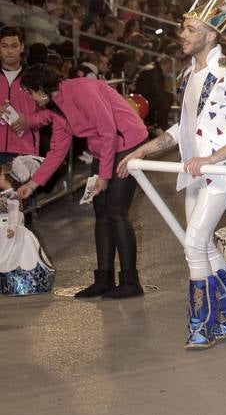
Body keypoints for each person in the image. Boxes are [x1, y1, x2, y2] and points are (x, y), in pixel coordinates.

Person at [117, 0, 226, 350]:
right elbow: (179, 131)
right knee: (198, 244)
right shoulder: (190, 74)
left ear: (210, 34)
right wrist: (140, 150)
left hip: (225, 171)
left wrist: (213, 159)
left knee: (193, 243)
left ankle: (201, 325)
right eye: (184, 27)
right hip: (198, 172)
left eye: (190, 28)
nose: (181, 34)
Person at [16, 65, 148, 299]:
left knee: (116, 210)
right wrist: (32, 184)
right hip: (104, 149)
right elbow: (57, 151)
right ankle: (103, 279)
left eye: (30, 92)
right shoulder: (56, 108)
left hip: (127, 142)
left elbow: (108, 130)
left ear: (40, 89)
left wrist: (105, 176)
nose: (30, 97)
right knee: (101, 212)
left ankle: (130, 281)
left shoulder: (82, 90)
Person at [0, 155, 54, 294]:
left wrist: (12, 227)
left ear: (3, 178)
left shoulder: (12, 196)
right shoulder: (3, 196)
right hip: (3, 231)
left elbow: (15, 213)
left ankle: (22, 283)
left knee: (18, 255)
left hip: (11, 232)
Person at [0, 25, 48, 165]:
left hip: (24, 151)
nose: (9, 51)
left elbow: (49, 113)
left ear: (22, 47)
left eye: (14, 46)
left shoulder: (35, 78)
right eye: (4, 46)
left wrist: (28, 121)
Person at [134, 55, 174, 130]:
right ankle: (162, 126)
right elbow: (158, 92)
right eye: (169, 68)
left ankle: (158, 124)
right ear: (163, 64)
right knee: (164, 100)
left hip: (145, 96)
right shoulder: (154, 72)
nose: (170, 70)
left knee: (168, 97)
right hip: (142, 99)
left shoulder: (154, 69)